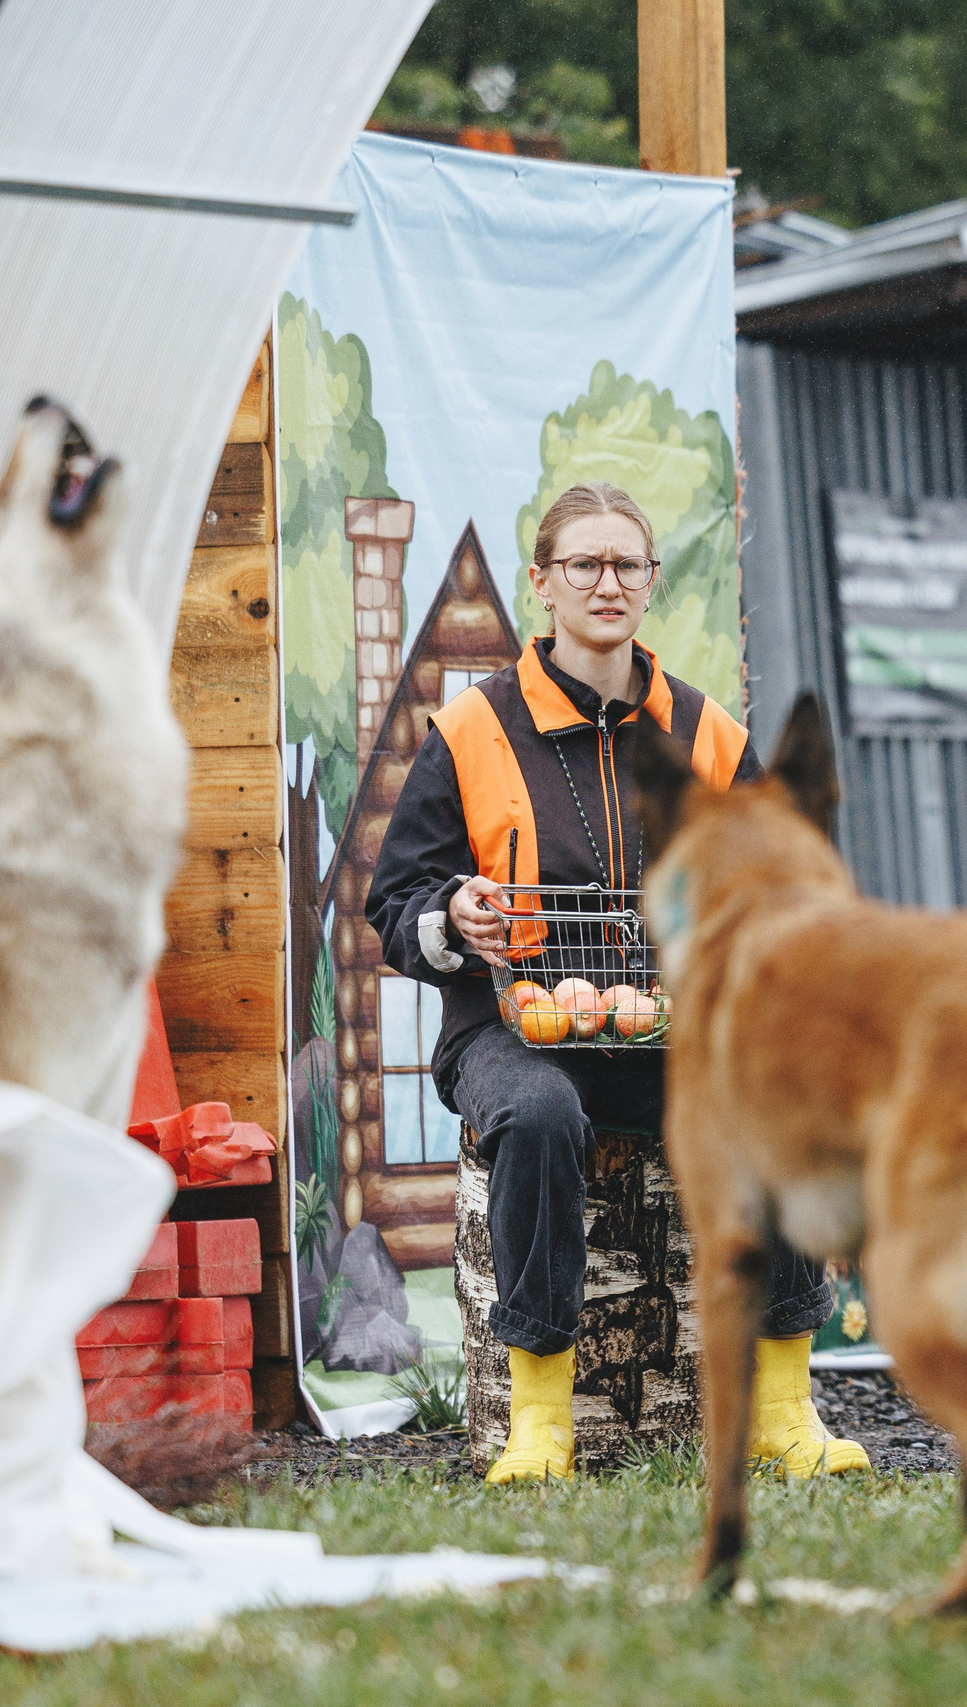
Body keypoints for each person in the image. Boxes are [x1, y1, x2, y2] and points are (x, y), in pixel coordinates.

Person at [366, 481, 867, 1485]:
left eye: (626, 565)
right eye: (583, 565)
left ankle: (782, 1408)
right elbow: (395, 904)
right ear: (542, 584)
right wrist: (451, 920)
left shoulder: (708, 733)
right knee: (539, 1114)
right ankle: (542, 1423)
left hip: (672, 1033)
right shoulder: (470, 730)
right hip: (511, 1030)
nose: (606, 582)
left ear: (650, 584)